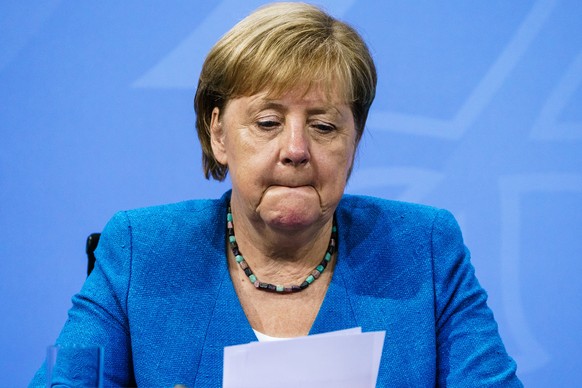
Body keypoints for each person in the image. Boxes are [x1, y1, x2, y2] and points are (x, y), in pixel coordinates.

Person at [32, 2, 522, 386]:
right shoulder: (141, 249)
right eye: (267, 123)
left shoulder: (425, 248)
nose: (296, 150)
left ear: (354, 141)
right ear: (218, 134)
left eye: (325, 125)